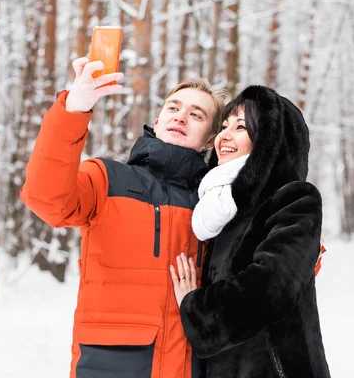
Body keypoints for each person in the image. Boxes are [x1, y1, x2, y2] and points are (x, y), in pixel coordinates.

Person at [20, 56, 227, 378]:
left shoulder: (216, 203)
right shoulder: (106, 178)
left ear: (211, 141)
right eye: (173, 108)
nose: (181, 117)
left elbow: (269, 268)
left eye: (196, 114)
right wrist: (74, 109)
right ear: (157, 121)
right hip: (112, 363)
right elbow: (46, 197)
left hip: (193, 363)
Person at [170, 85, 331, 378]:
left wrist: (196, 309)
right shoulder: (217, 212)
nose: (224, 136)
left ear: (269, 141)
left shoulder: (294, 198)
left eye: (241, 127)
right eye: (224, 126)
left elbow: (271, 287)